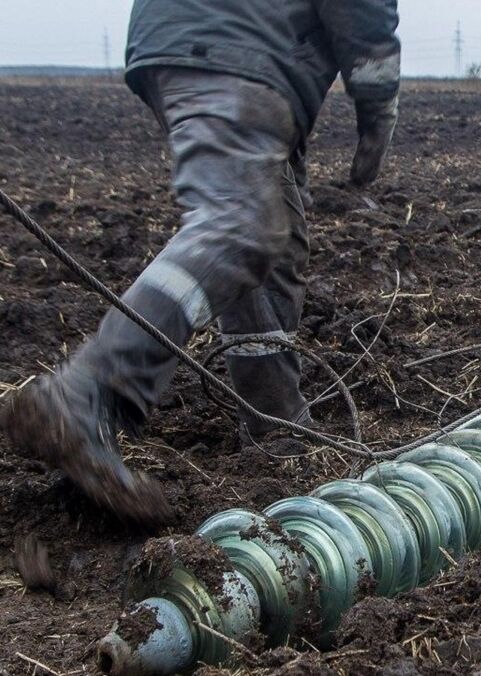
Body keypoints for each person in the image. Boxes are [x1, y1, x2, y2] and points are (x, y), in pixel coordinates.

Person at [0, 0, 401, 524]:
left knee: (269, 233)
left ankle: (276, 425)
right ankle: (87, 392)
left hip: (198, 38)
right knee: (239, 224)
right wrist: (379, 105)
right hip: (236, 43)